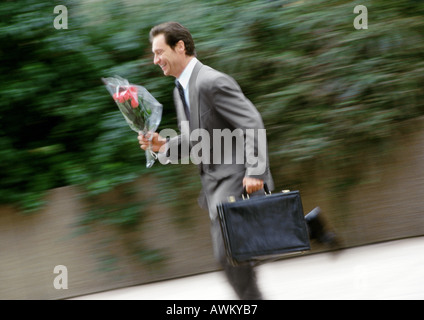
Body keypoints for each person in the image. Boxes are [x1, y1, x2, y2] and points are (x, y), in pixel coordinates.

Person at [139, 22, 338, 300]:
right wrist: (163, 146)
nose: (155, 60)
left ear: (180, 47)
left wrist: (256, 170)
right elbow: (196, 139)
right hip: (213, 182)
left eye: (159, 52)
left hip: (236, 176)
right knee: (241, 252)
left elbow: (252, 122)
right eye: (154, 54)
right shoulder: (179, 89)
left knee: (229, 255)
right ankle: (307, 226)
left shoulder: (211, 81)